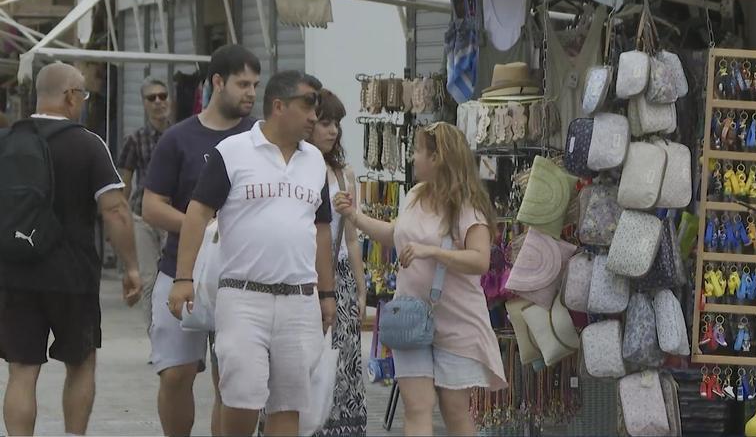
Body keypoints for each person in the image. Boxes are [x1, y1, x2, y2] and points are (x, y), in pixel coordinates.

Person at [168, 70, 336, 436]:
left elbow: (322, 231)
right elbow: (197, 214)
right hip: (244, 297)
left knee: (288, 404)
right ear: (279, 105)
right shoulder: (233, 151)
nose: (314, 115)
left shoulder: (314, 163)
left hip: (300, 300)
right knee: (241, 400)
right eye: (308, 104)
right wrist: (183, 279)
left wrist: (327, 293)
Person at [334, 121, 507, 436]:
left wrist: (432, 252)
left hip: (458, 322)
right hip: (410, 317)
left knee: (454, 410)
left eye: (418, 151)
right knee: (416, 406)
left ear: (438, 156)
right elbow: (395, 234)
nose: (413, 158)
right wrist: (354, 216)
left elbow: (480, 260)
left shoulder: (468, 206)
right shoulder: (414, 195)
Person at [0, 62, 142, 436]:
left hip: (15, 274)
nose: (82, 101)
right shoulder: (87, 143)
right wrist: (130, 267)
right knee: (80, 364)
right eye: (82, 94)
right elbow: (115, 210)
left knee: (21, 371)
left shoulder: (9, 140)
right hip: (72, 277)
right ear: (69, 96)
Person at [142, 44, 260, 436]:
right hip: (180, 269)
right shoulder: (178, 139)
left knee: (232, 377)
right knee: (176, 373)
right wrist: (202, 227)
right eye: (242, 84)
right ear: (217, 82)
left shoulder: (258, 139)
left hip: (241, 275)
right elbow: (152, 207)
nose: (250, 93)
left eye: (255, 85)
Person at [309, 89, 367, 436]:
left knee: (343, 360)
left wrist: (361, 290)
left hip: (341, 276)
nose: (332, 131)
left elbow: (352, 236)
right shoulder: (295, 169)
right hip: (304, 275)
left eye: (337, 124)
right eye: (325, 123)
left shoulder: (344, 175)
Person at [117, 76, 171, 329]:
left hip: (174, 215)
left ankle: (173, 335)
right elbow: (125, 183)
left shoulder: (180, 135)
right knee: (149, 279)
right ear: (144, 104)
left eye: (163, 96)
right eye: (152, 98)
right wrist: (120, 220)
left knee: (173, 277)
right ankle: (156, 340)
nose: (159, 102)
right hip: (142, 216)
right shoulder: (135, 139)